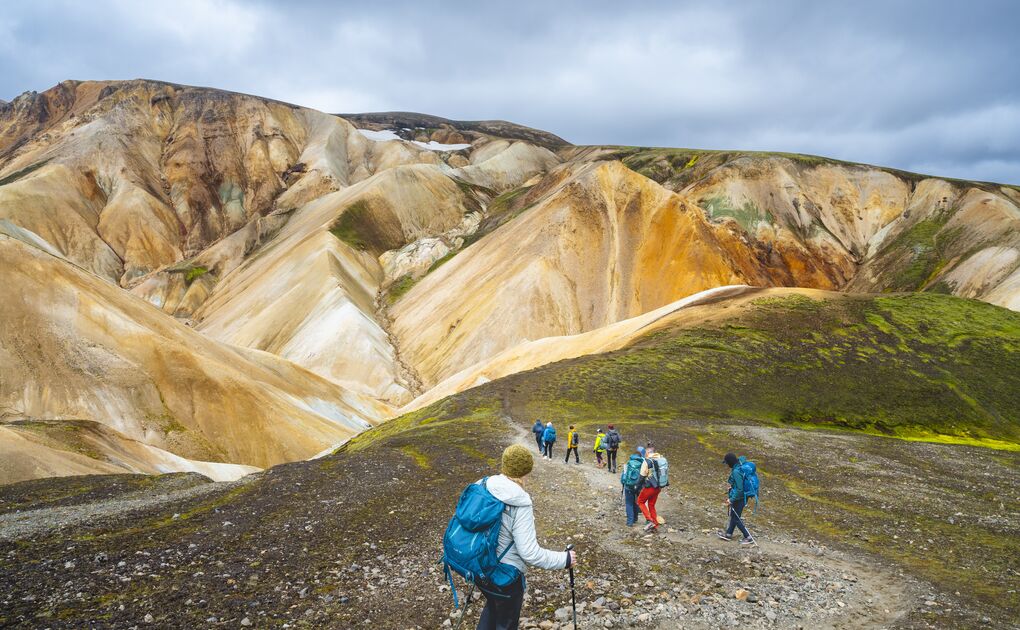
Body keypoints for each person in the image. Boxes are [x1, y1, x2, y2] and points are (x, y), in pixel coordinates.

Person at [477, 445, 576, 629]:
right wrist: (565, 559)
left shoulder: (483, 485)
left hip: (480, 564)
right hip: (505, 576)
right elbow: (529, 553)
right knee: (505, 622)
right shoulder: (520, 502)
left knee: (493, 604)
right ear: (526, 470)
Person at [717, 452, 753, 545]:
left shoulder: (736, 471)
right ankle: (729, 534)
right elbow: (738, 485)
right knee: (734, 516)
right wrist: (732, 487)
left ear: (730, 462)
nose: (727, 465)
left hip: (739, 498)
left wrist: (731, 499)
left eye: (727, 463)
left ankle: (748, 537)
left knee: (736, 517)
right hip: (741, 497)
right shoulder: (738, 468)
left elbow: (740, 489)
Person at [637, 444, 668, 533]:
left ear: (648, 452)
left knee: (640, 501)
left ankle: (649, 520)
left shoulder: (647, 461)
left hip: (650, 486)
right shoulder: (661, 459)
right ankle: (655, 523)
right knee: (651, 504)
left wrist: (637, 486)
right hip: (659, 486)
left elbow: (642, 476)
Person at [619, 446, 645, 527]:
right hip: (638, 486)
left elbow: (624, 475)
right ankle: (635, 518)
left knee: (629, 503)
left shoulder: (629, 463)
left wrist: (623, 483)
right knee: (636, 501)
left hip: (628, 486)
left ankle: (630, 522)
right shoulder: (643, 464)